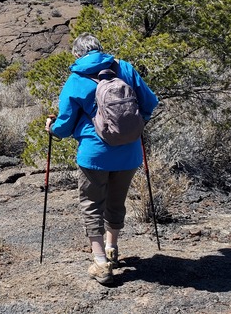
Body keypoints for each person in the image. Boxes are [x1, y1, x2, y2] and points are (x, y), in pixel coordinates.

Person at [45, 33, 158, 285]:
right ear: (100, 48)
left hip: (94, 155)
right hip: (129, 153)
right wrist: (135, 126)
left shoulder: (76, 79)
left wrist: (51, 128)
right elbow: (150, 103)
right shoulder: (124, 67)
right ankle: (112, 248)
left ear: (77, 54)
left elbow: (64, 126)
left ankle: (100, 262)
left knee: (91, 205)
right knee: (116, 202)